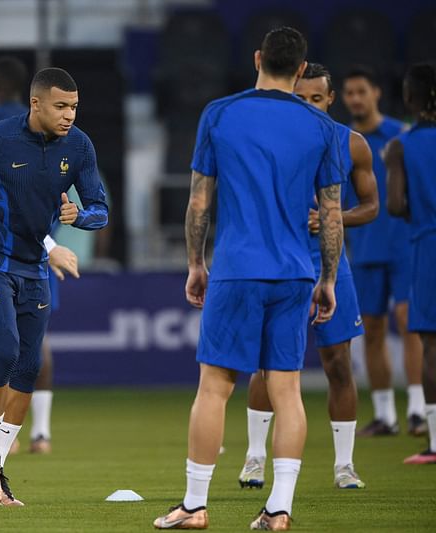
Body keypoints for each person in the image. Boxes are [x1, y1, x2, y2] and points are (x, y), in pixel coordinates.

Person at [153, 27, 345, 530]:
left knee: (215, 388)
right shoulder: (322, 127)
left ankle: (195, 506)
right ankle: (279, 509)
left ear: (259, 59)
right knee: (288, 391)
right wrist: (327, 279)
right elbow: (331, 214)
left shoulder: (220, 114)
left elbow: (199, 201)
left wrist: (196, 263)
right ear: (302, 70)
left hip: (237, 269)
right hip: (295, 273)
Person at [0, 67, 108, 507]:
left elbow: (100, 208)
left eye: (74, 107)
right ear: (35, 103)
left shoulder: (79, 146)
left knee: (29, 366)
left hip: (33, 265)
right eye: (61, 106)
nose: (69, 115)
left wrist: (79, 218)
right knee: (6, 351)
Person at [238, 63, 378, 491]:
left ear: (330, 100)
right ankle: (255, 459)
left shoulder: (352, 144)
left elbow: (371, 206)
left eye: (316, 98)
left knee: (339, 364)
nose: (308, 106)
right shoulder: (270, 143)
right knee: (269, 365)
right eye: (300, 98)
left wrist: (336, 218)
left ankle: (344, 466)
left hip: (330, 265)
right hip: (280, 264)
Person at [0, 55, 80, 455]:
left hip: (5, 254)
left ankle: (0, 444)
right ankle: (41, 434)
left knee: (3, 345)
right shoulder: (59, 131)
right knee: (36, 344)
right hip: (42, 250)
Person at [341, 67, 426, 437]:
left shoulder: (401, 137)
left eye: (361, 91)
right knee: (372, 331)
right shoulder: (343, 141)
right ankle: (384, 415)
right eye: (349, 93)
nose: (355, 98)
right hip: (364, 249)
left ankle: (420, 409)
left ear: (376, 93)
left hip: (404, 246)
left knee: (410, 323)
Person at [386, 62, 436, 465]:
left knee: (431, 344)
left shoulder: (402, 145)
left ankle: (435, 444)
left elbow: (395, 205)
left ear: (407, 98)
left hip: (427, 245)